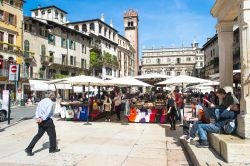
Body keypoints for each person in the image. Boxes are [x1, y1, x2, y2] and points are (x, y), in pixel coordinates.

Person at [25, 92, 60, 156]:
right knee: (52, 135)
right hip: (46, 120)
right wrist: (42, 118)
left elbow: (37, 110)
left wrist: (38, 118)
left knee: (38, 135)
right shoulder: (50, 102)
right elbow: (47, 112)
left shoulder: (41, 101)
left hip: (40, 120)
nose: (54, 97)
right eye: (54, 96)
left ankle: (29, 148)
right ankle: (52, 149)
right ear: (51, 96)